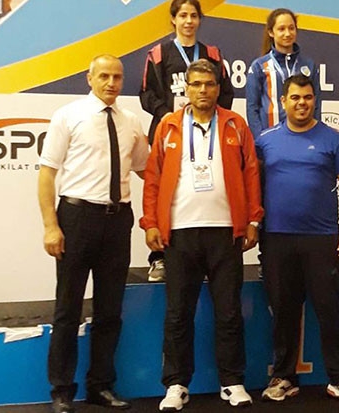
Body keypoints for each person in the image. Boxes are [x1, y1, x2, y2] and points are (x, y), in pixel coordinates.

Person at [140, 58, 263, 411]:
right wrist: (151, 222)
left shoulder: (236, 124)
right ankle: (176, 384)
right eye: (196, 84)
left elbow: (251, 173)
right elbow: (153, 178)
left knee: (229, 312)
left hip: (226, 232)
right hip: (179, 233)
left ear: (218, 88)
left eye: (209, 84)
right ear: (186, 88)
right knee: (178, 313)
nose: (203, 90)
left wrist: (253, 220)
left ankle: (232, 381)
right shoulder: (168, 126)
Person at [38, 54, 149, 413]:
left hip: (117, 221)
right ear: (89, 78)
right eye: (104, 76)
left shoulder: (131, 121)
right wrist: (51, 226)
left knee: (109, 310)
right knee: (67, 309)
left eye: (117, 77)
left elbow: (148, 169)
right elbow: (47, 174)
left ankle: (100, 386)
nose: (111, 83)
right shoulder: (67, 116)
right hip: (76, 218)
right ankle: (61, 390)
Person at [256, 74, 339, 405]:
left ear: (314, 99)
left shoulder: (334, 140)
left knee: (330, 310)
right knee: (283, 310)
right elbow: (250, 186)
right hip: (276, 239)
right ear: (283, 101)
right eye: (295, 97)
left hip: (322, 239)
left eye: (307, 97)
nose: (301, 103)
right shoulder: (265, 141)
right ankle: (284, 377)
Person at [140, 0, 234, 282]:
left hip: (206, 130)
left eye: (194, 15)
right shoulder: (158, 54)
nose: (189, 21)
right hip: (171, 131)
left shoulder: (212, 54)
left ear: (200, 20)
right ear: (173, 20)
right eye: (183, 15)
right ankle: (159, 257)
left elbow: (226, 92)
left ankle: (205, 260)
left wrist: (212, 118)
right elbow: (146, 94)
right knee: (164, 190)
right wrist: (167, 115)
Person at [246, 8, 319, 139]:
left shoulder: (309, 65)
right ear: (271, 32)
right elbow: (252, 109)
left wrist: (315, 136)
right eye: (281, 29)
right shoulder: (259, 66)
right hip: (270, 139)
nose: (287, 33)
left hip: (304, 138)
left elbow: (316, 105)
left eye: (291, 28)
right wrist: (260, 139)